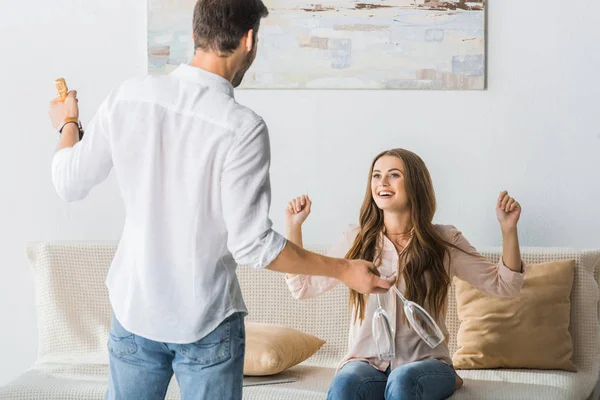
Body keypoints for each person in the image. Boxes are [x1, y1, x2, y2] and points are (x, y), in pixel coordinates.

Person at [47, 1, 394, 399]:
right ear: (249, 40)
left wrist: (68, 123)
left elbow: (68, 182)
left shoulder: (128, 97)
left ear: (195, 34)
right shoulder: (241, 128)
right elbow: (253, 247)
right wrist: (344, 269)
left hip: (134, 311)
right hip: (205, 322)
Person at [284, 148, 525, 400]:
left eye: (394, 175)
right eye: (376, 176)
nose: (382, 183)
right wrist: (294, 226)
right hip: (368, 365)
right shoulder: (356, 240)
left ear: (415, 184)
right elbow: (302, 286)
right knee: (346, 383)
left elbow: (505, 285)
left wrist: (508, 230)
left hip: (426, 365)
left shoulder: (443, 241)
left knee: (402, 380)